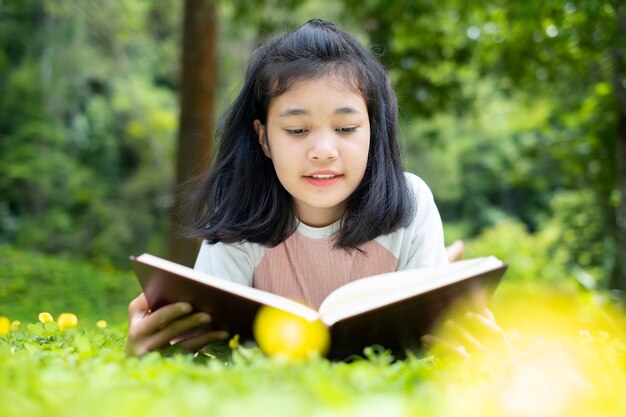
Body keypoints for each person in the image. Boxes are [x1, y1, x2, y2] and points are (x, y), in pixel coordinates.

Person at [126, 19, 496, 358]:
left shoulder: (411, 202)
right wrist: (155, 346)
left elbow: (429, 346)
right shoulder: (239, 212)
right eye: (298, 130)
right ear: (264, 138)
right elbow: (206, 352)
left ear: (372, 131)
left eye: (346, 129)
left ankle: (446, 260)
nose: (323, 152)